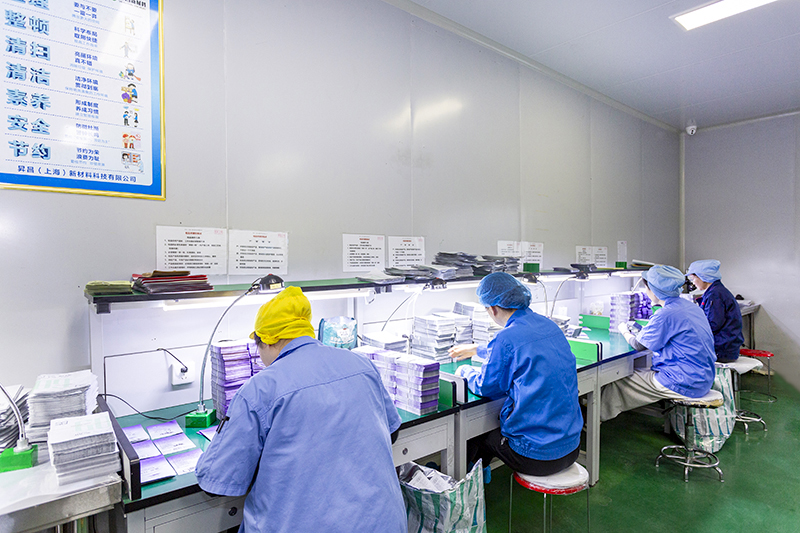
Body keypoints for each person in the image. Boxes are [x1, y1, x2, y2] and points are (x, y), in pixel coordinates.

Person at [195, 286, 407, 533]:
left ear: (266, 341)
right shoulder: (362, 365)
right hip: (384, 524)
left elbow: (215, 481)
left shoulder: (260, 389)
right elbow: (392, 432)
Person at [448, 272, 583, 477]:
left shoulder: (506, 338)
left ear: (493, 309)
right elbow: (523, 349)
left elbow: (486, 386)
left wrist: (464, 371)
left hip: (538, 457)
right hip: (571, 447)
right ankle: (481, 475)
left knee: (477, 435)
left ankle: (466, 483)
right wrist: (478, 349)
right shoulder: (548, 325)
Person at [601, 265, 716, 421]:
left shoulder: (665, 314)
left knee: (617, 382)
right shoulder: (690, 307)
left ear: (654, 290)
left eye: (647, 288)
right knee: (643, 369)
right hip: (704, 377)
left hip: (684, 381)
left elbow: (638, 345)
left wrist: (623, 330)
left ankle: (593, 421)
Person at [687, 259, 744, 363]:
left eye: (693, 278)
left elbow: (712, 324)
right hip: (726, 346)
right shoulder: (716, 291)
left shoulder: (715, 295)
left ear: (702, 277)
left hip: (722, 350)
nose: (693, 283)